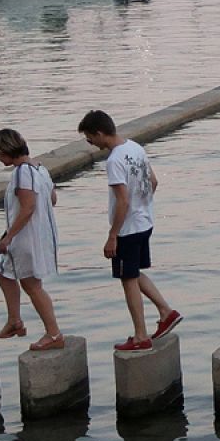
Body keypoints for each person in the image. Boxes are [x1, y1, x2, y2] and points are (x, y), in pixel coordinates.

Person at [77, 110, 183, 352]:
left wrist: (112, 235)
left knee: (127, 279)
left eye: (89, 138)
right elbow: (153, 182)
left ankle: (140, 336)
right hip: (145, 222)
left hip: (127, 229)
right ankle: (166, 311)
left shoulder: (114, 160)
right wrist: (142, 205)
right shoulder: (135, 147)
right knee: (133, 274)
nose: (90, 143)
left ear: (100, 133)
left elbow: (122, 201)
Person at [0, 129, 65, 352]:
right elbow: (52, 199)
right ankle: (15, 320)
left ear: (7, 150)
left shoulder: (22, 172)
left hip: (26, 237)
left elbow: (28, 206)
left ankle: (53, 333)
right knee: (3, 270)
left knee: (32, 285)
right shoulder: (39, 168)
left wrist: (9, 236)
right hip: (41, 234)